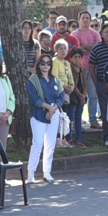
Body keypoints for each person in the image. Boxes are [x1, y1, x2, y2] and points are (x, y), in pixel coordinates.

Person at [26, 53, 63, 183]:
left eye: (48, 63)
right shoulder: (34, 80)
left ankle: (47, 172)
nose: (45, 65)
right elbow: (34, 97)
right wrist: (48, 107)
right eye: (43, 63)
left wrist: (53, 109)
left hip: (54, 113)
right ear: (39, 65)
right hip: (39, 114)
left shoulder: (55, 80)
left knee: (50, 144)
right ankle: (31, 172)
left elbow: (61, 96)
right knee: (37, 144)